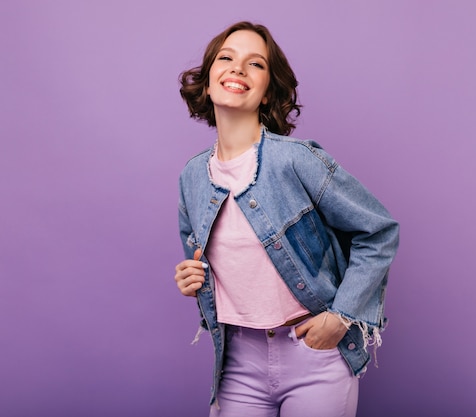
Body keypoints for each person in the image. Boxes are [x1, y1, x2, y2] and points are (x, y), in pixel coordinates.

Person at [173, 21, 399, 417]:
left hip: (314, 356)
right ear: (207, 85)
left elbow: (377, 232)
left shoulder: (296, 159)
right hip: (237, 361)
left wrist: (341, 316)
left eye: (255, 64)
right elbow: (201, 255)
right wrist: (192, 277)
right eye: (226, 58)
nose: (238, 68)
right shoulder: (192, 177)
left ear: (266, 93)